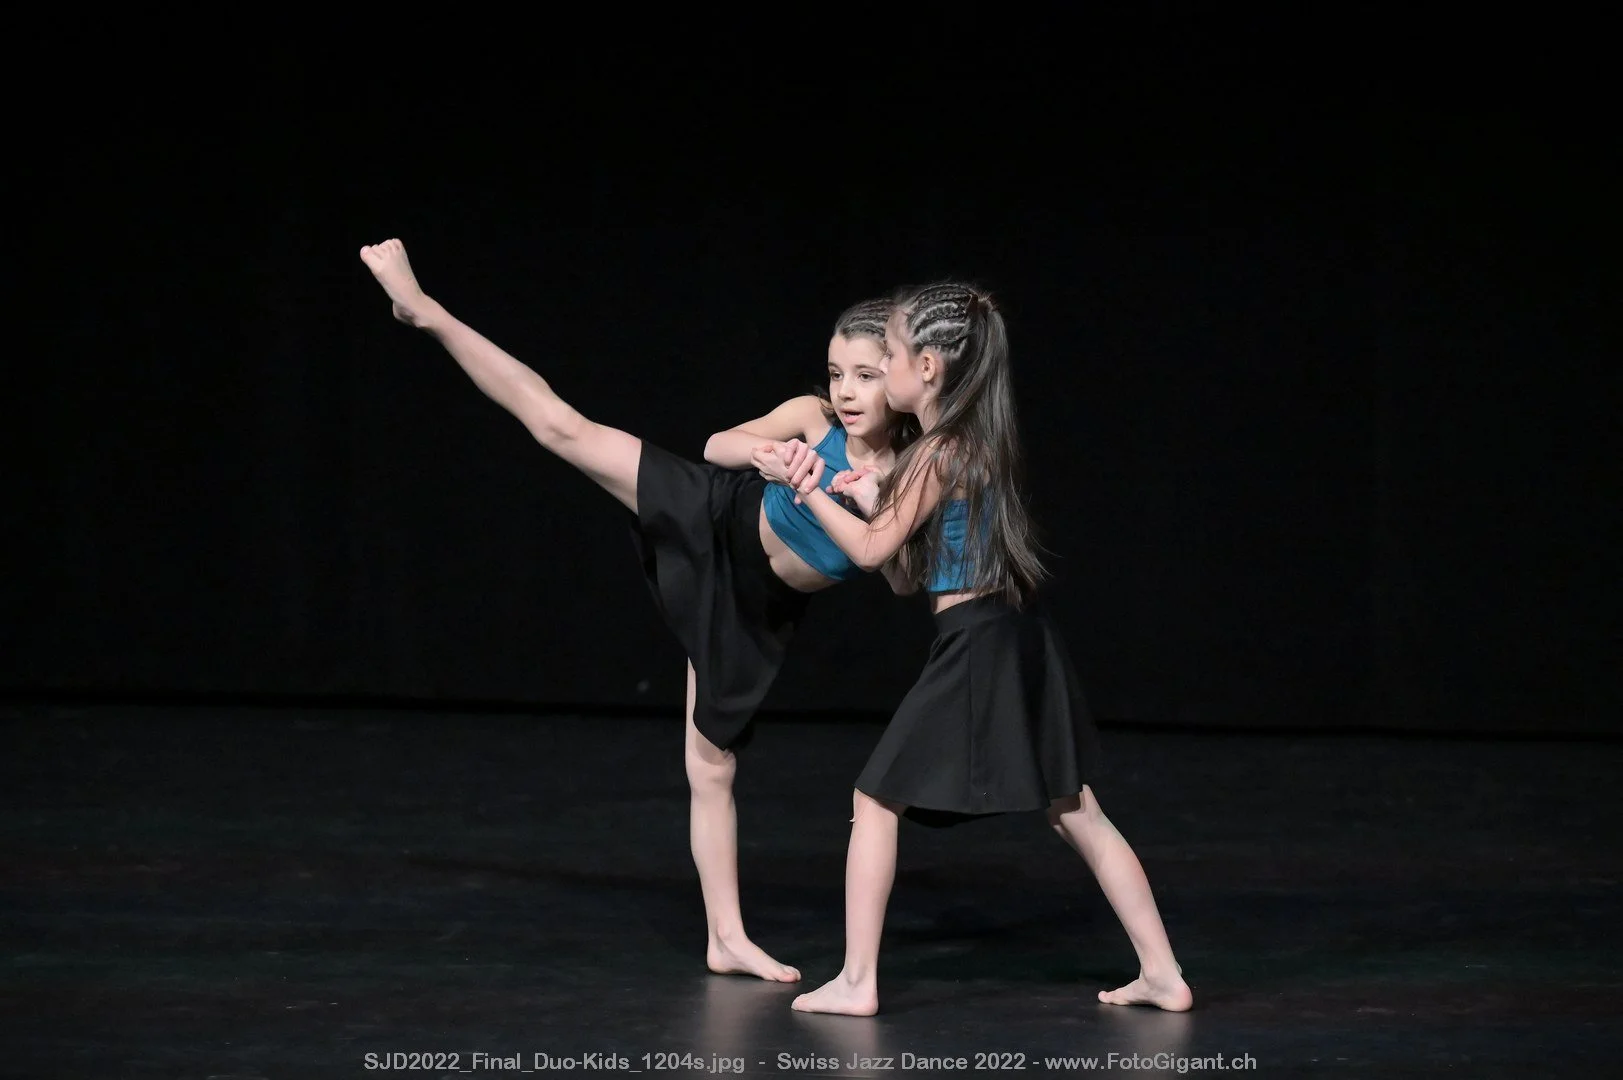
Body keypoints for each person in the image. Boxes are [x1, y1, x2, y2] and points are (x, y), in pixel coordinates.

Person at [358, 238, 916, 982]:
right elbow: (716, 445)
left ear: (903, 376)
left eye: (866, 376)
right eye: (837, 372)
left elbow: (903, 582)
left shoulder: (913, 470)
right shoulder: (813, 419)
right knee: (562, 427)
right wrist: (766, 457)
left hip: (755, 603)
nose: (845, 391)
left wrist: (869, 506)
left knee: (711, 767)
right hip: (712, 514)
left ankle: (725, 939)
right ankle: (425, 310)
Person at [754, 281, 1192, 1015]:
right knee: (1073, 807)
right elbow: (908, 571)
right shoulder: (969, 443)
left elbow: (870, 553)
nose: (879, 372)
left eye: (889, 357)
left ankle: (857, 982)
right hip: (1017, 633)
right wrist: (870, 500)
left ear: (925, 367)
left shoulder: (938, 450)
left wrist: (805, 486)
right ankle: (1163, 973)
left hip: (979, 642)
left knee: (874, 799)